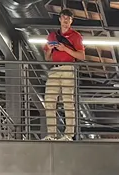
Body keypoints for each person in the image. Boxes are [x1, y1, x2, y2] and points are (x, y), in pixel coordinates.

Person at [43, 10, 85, 140]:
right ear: (60, 19)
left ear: (71, 21)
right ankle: (51, 134)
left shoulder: (76, 36)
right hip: (54, 68)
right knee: (49, 101)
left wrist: (65, 49)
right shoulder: (52, 36)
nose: (66, 21)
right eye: (64, 18)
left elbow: (82, 56)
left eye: (69, 18)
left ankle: (68, 135)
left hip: (68, 68)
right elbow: (47, 58)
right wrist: (49, 50)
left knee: (68, 101)